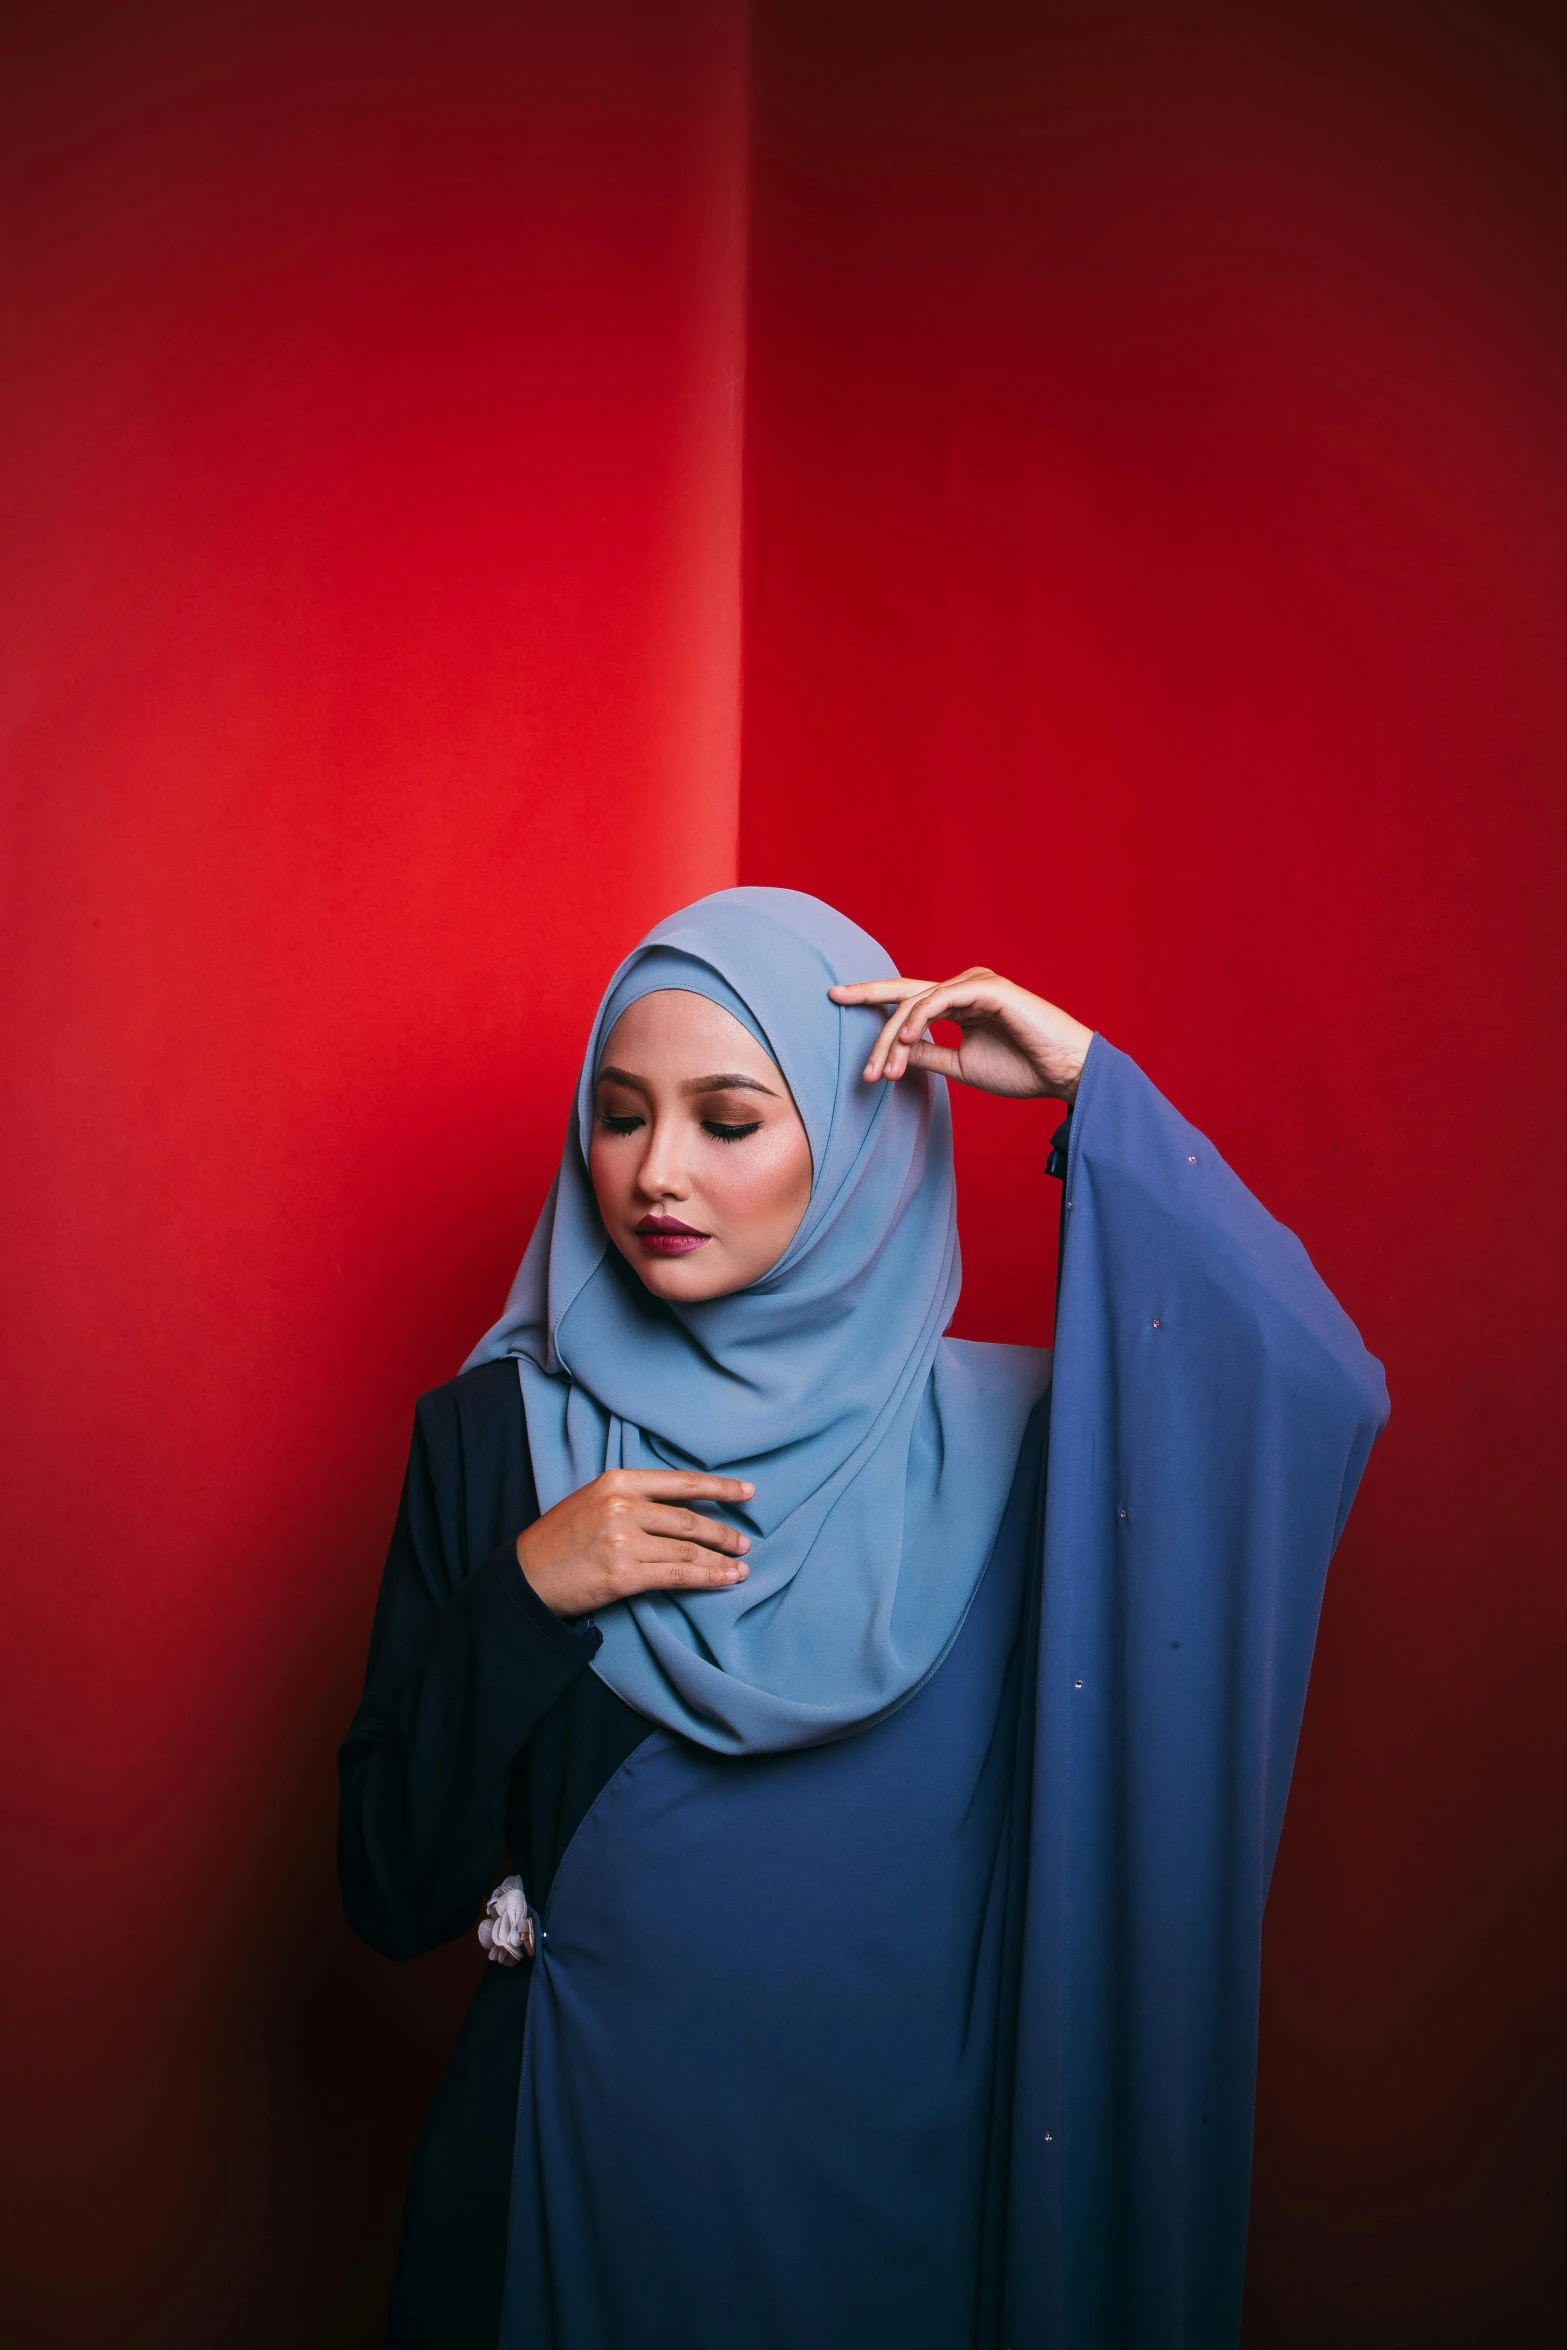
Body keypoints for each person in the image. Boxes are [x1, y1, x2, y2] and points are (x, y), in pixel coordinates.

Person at [338, 886, 1388, 2350]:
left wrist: (1094, 1087)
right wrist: (527, 1592)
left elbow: (1307, 1383)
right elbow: (388, 1888)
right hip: (565, 2180)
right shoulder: (493, 1439)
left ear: (853, 1139)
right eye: (619, 1112)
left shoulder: (1021, 1449)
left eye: (728, 1118)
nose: (655, 1172)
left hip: (899, 2213)